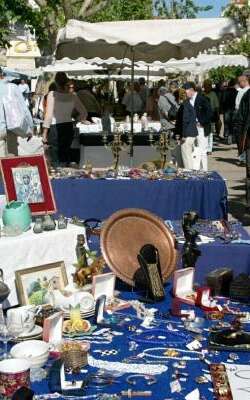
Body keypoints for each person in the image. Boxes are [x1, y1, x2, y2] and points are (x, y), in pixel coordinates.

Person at [42, 72, 88, 167]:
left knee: (55, 156)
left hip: (55, 127)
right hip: (68, 126)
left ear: (56, 82)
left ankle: (57, 177)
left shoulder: (52, 94)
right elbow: (84, 113)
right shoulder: (73, 95)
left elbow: (49, 115)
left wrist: (44, 133)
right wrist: (75, 121)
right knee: (65, 154)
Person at [178, 82, 212, 171]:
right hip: (192, 128)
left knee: (202, 150)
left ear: (191, 90)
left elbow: (210, 113)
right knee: (192, 151)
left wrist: (201, 122)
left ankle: (204, 170)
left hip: (201, 127)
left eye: (185, 92)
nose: (184, 94)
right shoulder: (188, 100)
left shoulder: (202, 98)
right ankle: (195, 168)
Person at [0, 68, 32, 156]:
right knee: (11, 161)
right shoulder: (12, 87)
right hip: (11, 127)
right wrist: (30, 128)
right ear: (2, 74)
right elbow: (24, 109)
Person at [235, 73, 250, 163]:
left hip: (244, 120)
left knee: (243, 141)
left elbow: (238, 107)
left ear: (244, 81)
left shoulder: (243, 92)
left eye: (239, 82)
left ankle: (243, 158)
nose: (238, 84)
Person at [203, 80, 219, 154]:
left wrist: (218, 116)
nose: (207, 87)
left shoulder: (213, 94)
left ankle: (209, 149)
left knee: (210, 133)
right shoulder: (202, 94)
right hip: (203, 116)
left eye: (209, 85)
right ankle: (204, 147)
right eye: (206, 85)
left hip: (211, 115)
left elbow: (216, 106)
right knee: (204, 132)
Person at [220, 79, 238, 145]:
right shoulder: (236, 92)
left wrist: (222, 109)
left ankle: (227, 136)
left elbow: (222, 101)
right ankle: (232, 136)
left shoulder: (225, 92)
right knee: (233, 124)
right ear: (234, 84)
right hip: (234, 109)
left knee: (227, 124)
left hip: (226, 110)